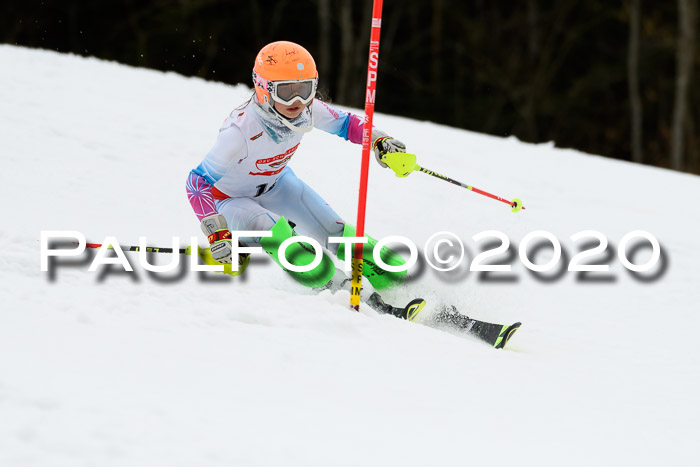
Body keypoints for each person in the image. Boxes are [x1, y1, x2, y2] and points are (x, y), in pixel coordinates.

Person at [185, 40, 423, 319]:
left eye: (304, 90)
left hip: (277, 184)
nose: (297, 102)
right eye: (286, 92)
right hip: (231, 200)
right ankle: (345, 293)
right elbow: (196, 182)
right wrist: (218, 232)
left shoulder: (307, 110)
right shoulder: (239, 132)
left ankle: (401, 284)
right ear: (263, 89)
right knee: (278, 234)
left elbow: (348, 124)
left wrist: (381, 141)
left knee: (335, 230)